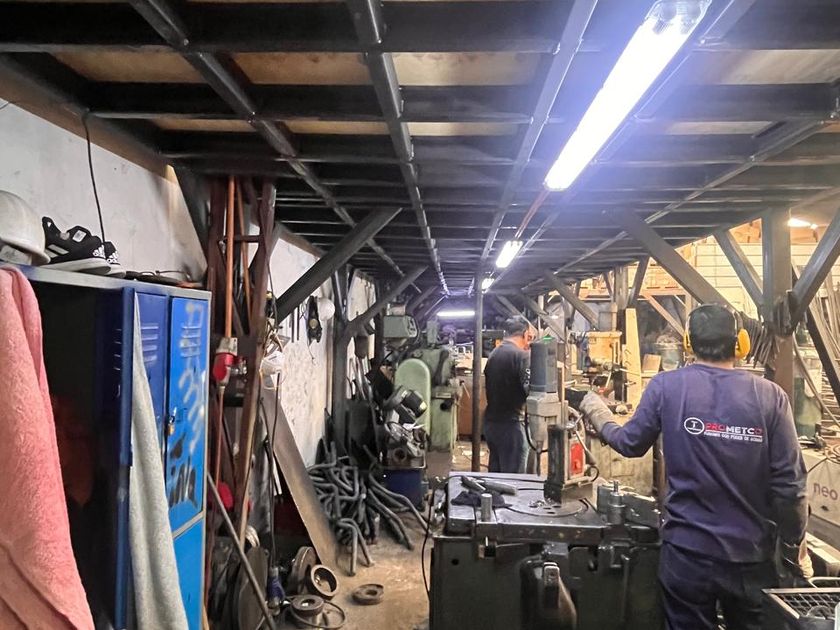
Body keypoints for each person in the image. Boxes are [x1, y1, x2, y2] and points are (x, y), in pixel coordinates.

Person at [579, 304, 808, 630]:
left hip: (687, 555)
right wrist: (792, 548)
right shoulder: (771, 397)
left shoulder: (666, 387)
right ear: (740, 343)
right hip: (751, 558)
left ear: (688, 343)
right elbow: (791, 485)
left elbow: (630, 443)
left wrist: (598, 412)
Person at [482, 315, 536, 473]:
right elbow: (531, 392)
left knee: (496, 476)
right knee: (514, 479)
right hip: (512, 426)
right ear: (525, 334)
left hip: (492, 424)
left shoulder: (494, 354)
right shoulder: (522, 356)